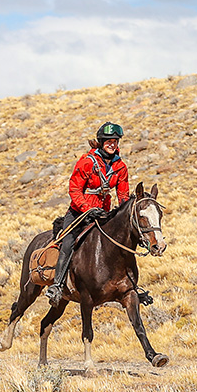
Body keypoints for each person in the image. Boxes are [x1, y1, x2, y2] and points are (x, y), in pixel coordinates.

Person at [44, 122, 151, 307]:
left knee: (122, 243)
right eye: (108, 141)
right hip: (79, 213)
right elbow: (74, 188)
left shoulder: (120, 167)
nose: (112, 144)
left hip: (103, 214)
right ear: (101, 142)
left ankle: (130, 287)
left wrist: (124, 214)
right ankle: (57, 286)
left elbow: (123, 194)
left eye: (115, 141)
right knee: (68, 242)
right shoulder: (87, 162)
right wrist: (87, 208)